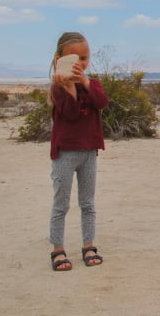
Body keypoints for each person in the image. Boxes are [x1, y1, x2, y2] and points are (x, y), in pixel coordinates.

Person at [48, 32, 109, 272]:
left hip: (88, 151)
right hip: (65, 153)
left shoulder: (92, 84)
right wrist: (70, 89)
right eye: (74, 58)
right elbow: (71, 114)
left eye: (84, 58)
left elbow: (102, 102)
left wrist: (83, 82)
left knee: (88, 202)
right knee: (60, 204)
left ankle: (88, 245)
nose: (80, 63)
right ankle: (57, 249)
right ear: (59, 59)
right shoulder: (57, 89)